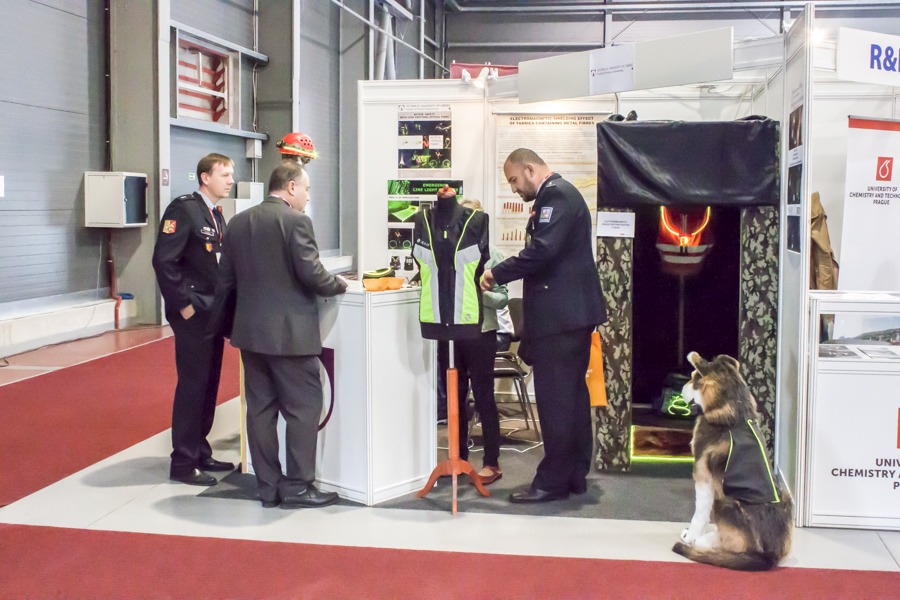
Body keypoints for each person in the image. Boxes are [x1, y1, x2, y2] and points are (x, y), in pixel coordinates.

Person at [209, 161, 347, 509]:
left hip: (250, 335)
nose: (308, 197)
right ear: (291, 187)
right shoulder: (296, 221)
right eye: (306, 189)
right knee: (304, 407)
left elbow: (225, 280)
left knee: (260, 410)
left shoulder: (238, 222)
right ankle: (298, 486)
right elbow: (312, 273)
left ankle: (268, 486)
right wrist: (340, 284)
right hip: (290, 337)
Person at [481, 148, 607, 504]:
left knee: (556, 402)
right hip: (568, 316)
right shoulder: (560, 196)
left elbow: (542, 251)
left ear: (530, 169)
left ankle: (551, 482)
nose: (513, 189)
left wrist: (496, 273)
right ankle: (574, 475)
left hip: (561, 319)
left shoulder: (557, 197)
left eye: (514, 180)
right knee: (573, 399)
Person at [152, 153, 236, 486]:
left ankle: (200, 450)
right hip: (193, 314)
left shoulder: (215, 213)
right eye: (225, 175)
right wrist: (183, 305)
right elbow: (164, 261)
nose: (231, 180)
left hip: (212, 314)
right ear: (205, 177)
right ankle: (183, 463)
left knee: (209, 385)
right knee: (192, 386)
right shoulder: (183, 210)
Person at [453, 197, 508, 485]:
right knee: (457, 397)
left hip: (483, 333)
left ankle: (491, 462)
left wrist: (479, 292)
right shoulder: (452, 255)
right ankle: (459, 458)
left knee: (484, 397)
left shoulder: (493, 256)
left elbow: (502, 299)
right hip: (455, 334)